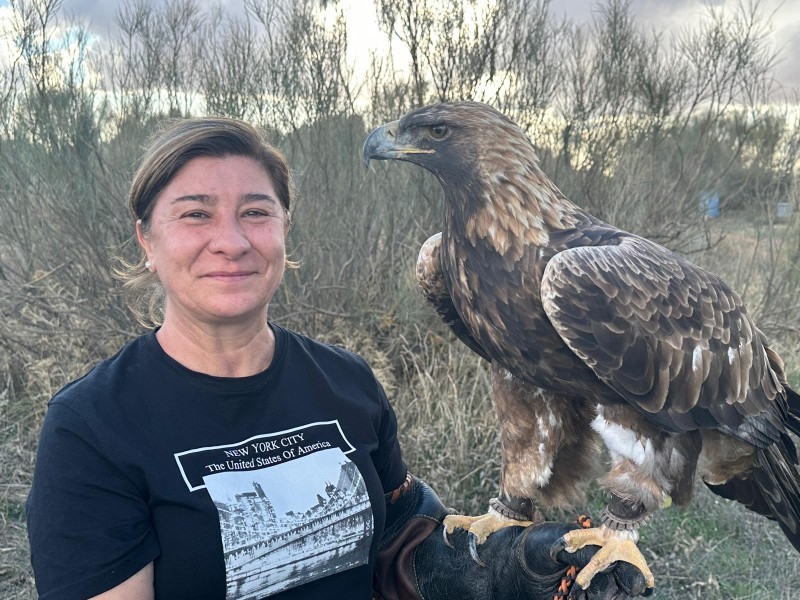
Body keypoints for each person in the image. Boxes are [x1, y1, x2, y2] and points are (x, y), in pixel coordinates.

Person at [26, 117, 647, 599]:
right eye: (195, 215)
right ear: (147, 240)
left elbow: (400, 542)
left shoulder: (344, 382)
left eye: (256, 212)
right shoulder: (93, 427)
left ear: (284, 230)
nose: (232, 240)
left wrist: (500, 570)